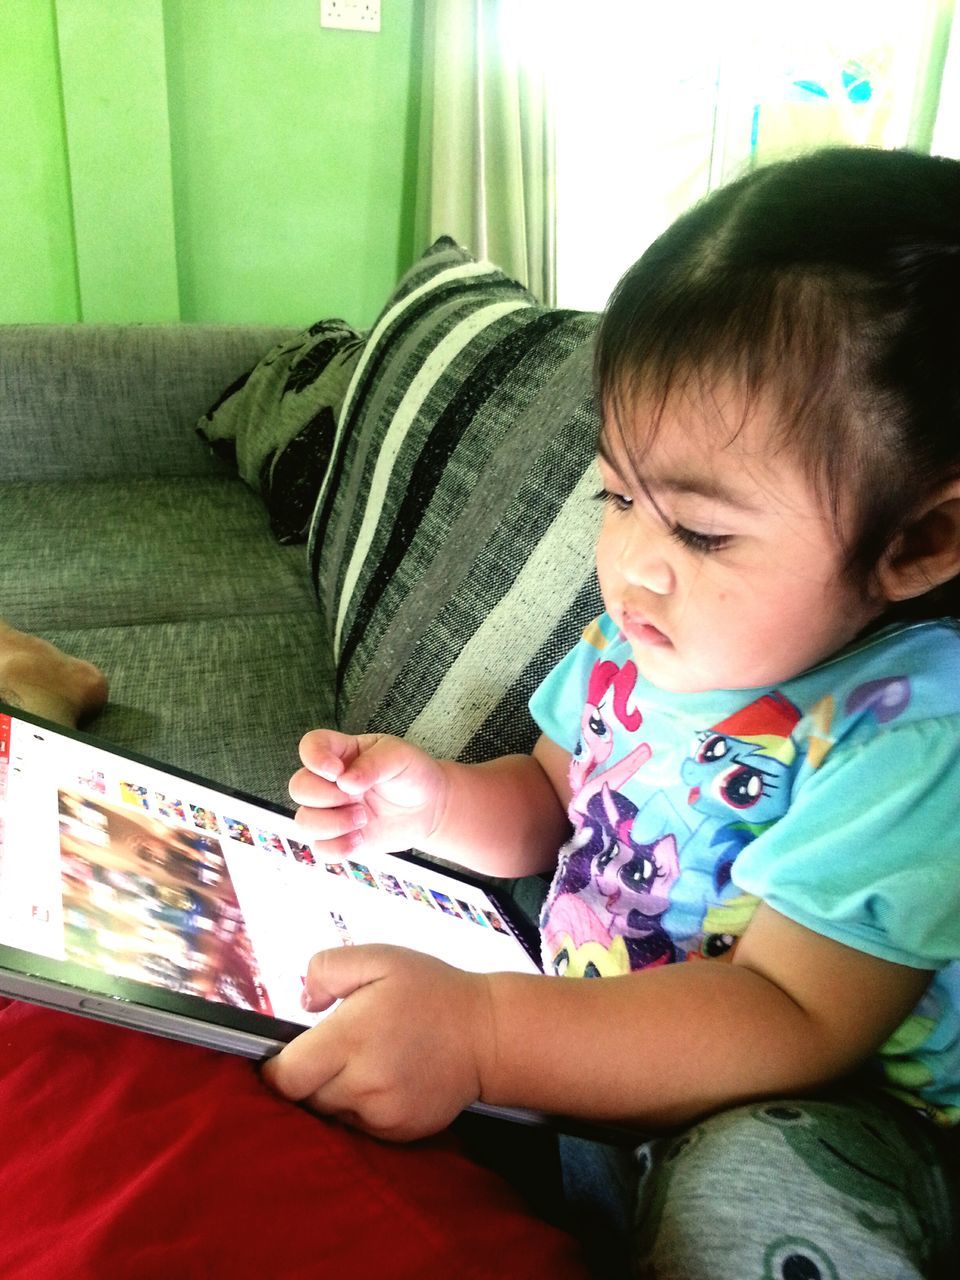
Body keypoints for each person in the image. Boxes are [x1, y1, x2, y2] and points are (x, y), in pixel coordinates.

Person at [3, 146, 958, 1277]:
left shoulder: (908, 732)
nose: (631, 565)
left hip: (804, 1101)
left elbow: (791, 1012)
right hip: (565, 1040)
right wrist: (429, 801)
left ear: (919, 541)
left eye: (700, 531)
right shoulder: (641, 639)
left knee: (763, 1195)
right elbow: (554, 799)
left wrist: (489, 1034)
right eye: (616, 496)